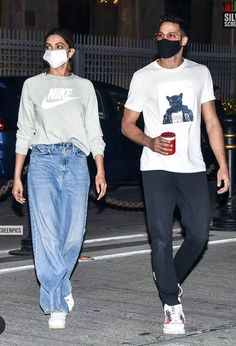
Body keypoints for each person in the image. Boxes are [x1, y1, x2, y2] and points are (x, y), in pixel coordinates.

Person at [121, 14, 230, 335]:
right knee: (161, 239)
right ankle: (171, 305)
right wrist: (150, 141)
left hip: (192, 167)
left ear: (183, 40)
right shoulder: (143, 77)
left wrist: (223, 164)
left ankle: (167, 276)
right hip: (155, 168)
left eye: (172, 34)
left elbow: (211, 122)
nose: (164, 38)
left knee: (199, 235)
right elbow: (127, 125)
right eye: (160, 34)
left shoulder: (200, 73)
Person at [12, 28, 107, 329]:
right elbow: (24, 131)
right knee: (47, 235)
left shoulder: (85, 87)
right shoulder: (32, 86)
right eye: (48, 46)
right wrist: (16, 175)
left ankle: (60, 283)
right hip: (42, 163)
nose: (52, 50)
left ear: (70, 53)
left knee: (72, 236)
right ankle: (56, 300)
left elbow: (94, 131)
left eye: (59, 46)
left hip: (77, 162)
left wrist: (100, 169)